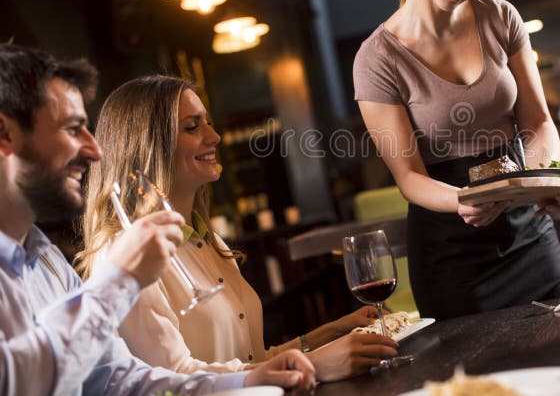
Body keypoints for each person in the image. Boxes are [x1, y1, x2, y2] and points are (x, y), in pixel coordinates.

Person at [0, 45, 314, 394]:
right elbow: (18, 383)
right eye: (73, 129)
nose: (95, 151)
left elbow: (118, 378)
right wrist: (119, 279)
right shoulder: (113, 255)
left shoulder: (44, 258)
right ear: (5, 133)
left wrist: (249, 379)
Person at [353, 0, 560, 320]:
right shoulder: (377, 58)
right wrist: (464, 201)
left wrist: (541, 176)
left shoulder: (500, 17)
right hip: (451, 252)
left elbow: (539, 124)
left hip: (529, 231)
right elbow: (409, 177)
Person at [76, 75, 398, 382]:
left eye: (208, 122)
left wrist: (335, 333)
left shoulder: (206, 239)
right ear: (148, 146)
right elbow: (174, 380)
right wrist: (315, 364)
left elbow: (250, 361)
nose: (213, 137)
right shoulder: (124, 255)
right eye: (192, 127)